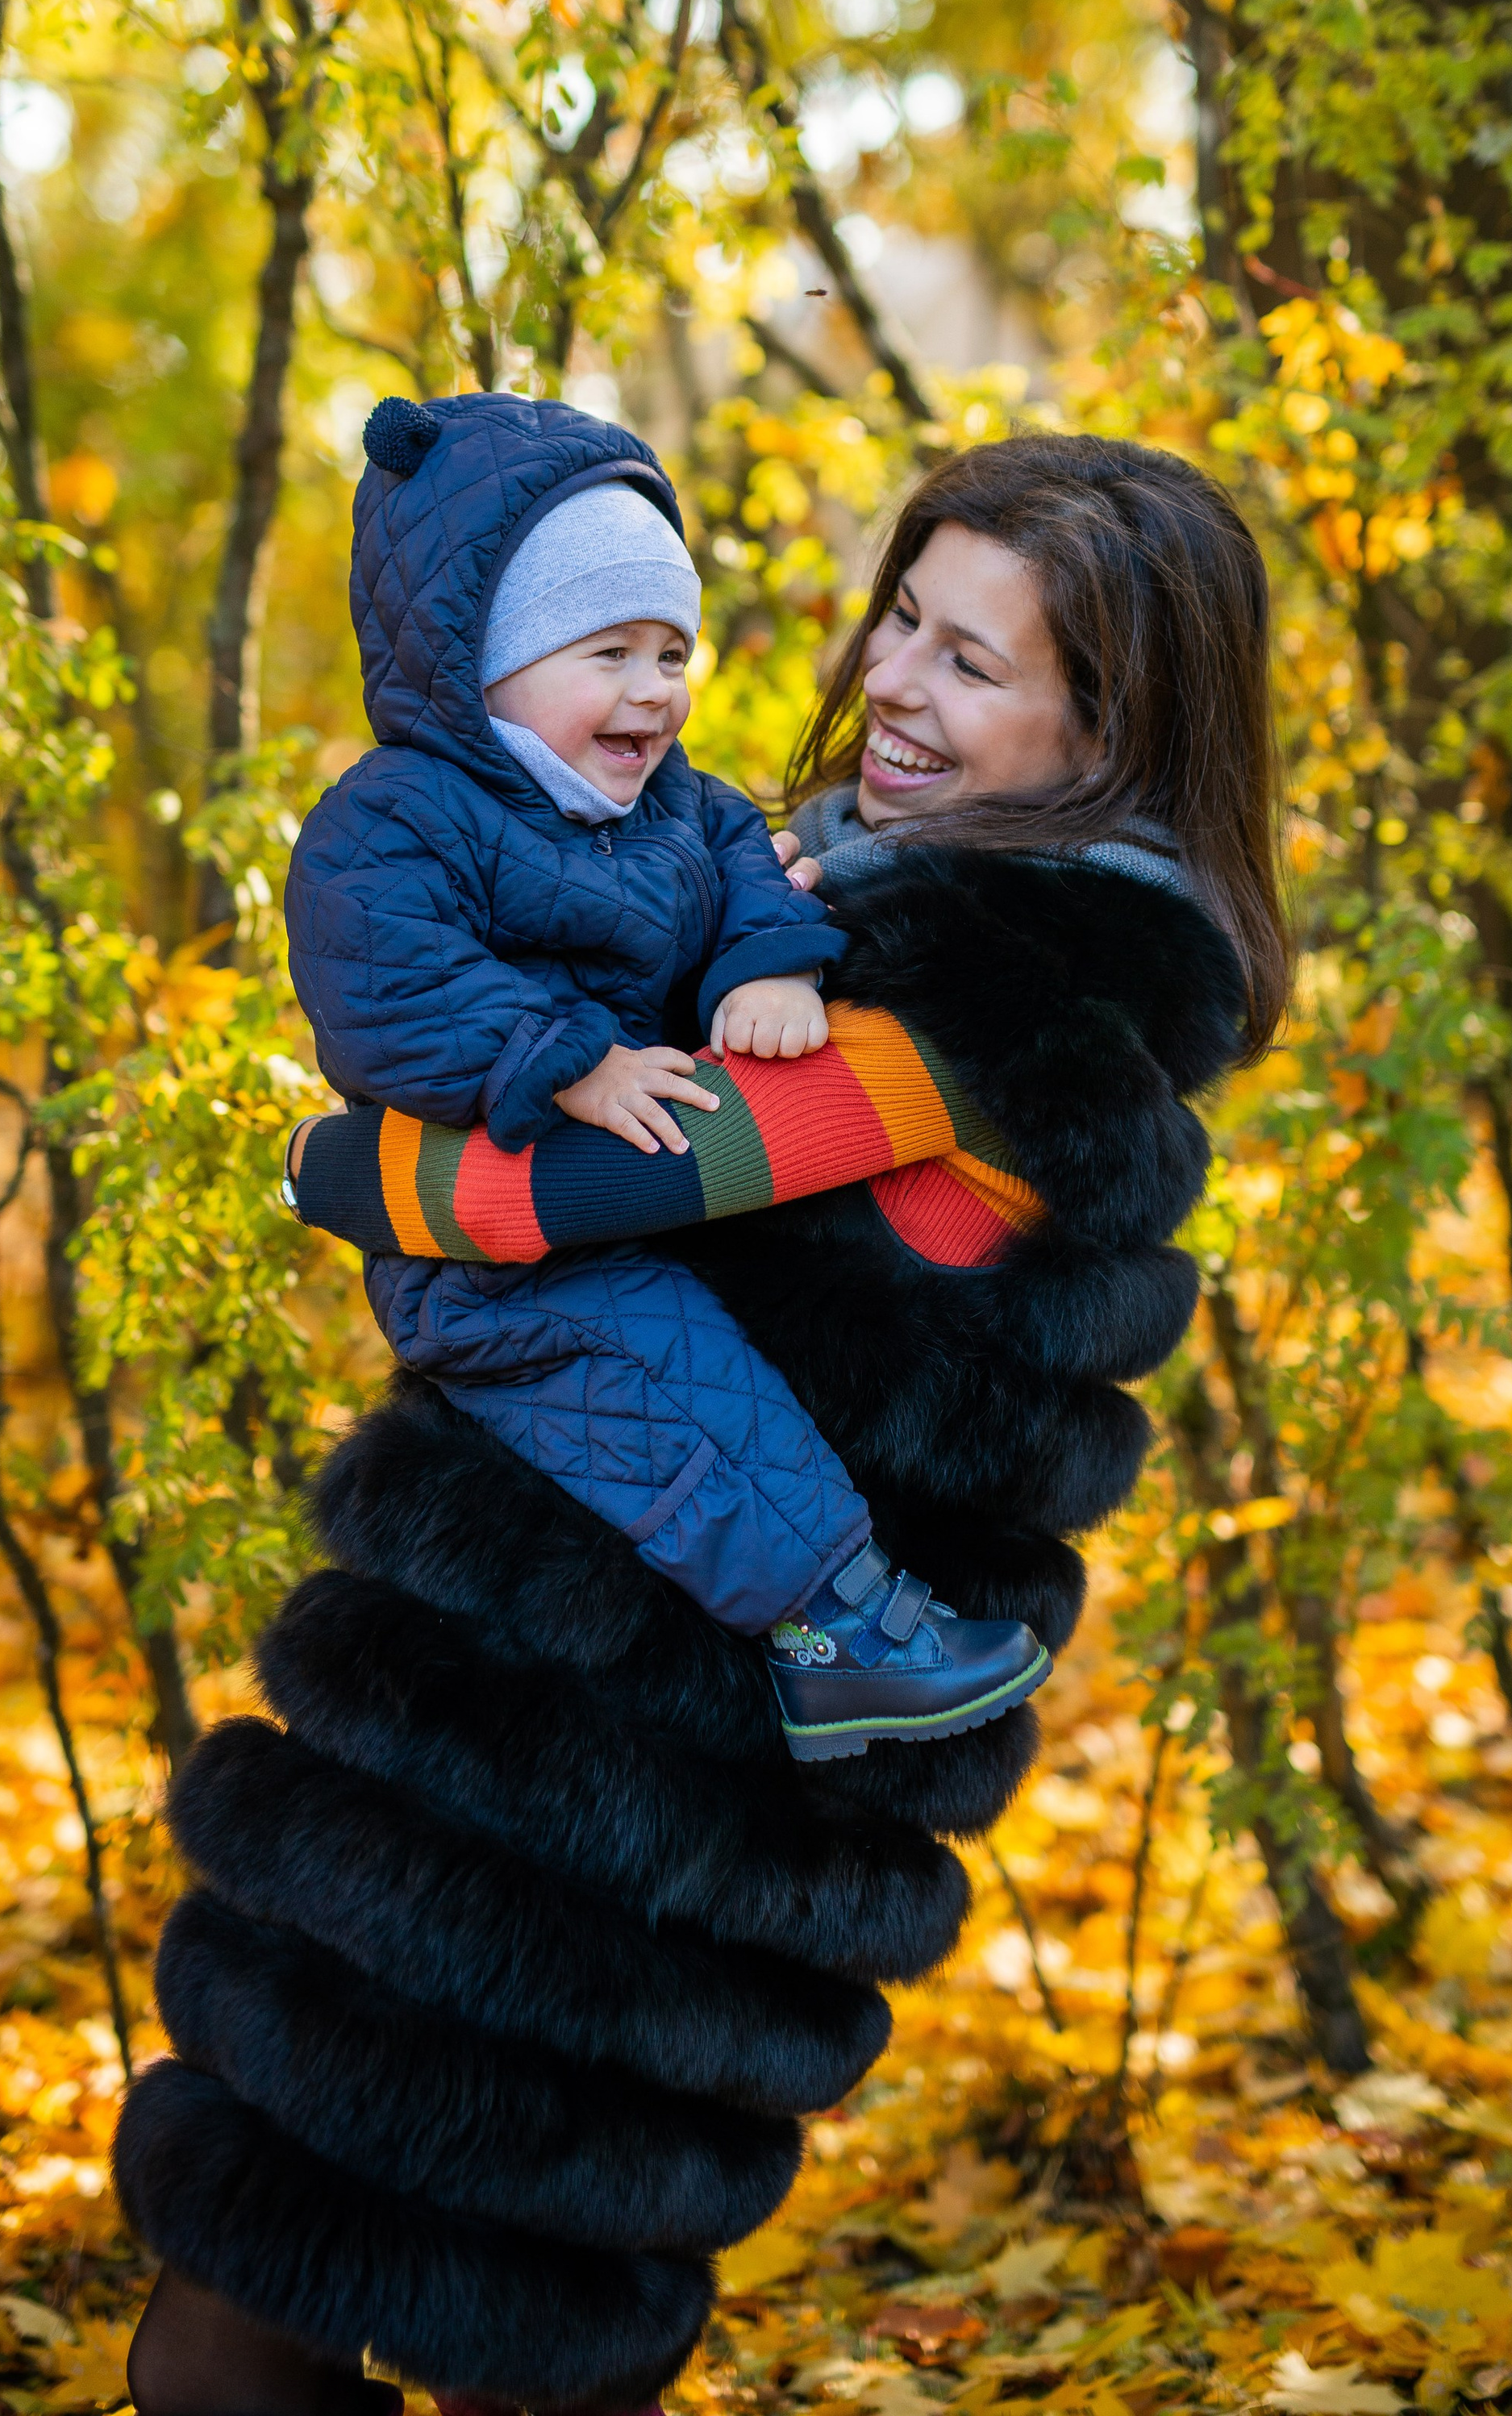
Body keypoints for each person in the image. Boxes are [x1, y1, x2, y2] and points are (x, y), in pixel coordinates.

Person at [119, 432, 1286, 2416]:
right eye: (902, 616)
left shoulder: (974, 1008)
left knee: (349, 2313)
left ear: (1111, 731)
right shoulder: (808, 891)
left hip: (631, 1782)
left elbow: (533, 1198)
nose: (897, 683)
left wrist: (338, 1161)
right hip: (566, 1738)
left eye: (973, 664)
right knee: (348, 2276)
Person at [279, 391, 1051, 1760]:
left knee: (701, 1379)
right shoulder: (395, 820)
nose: (653, 690)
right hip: (494, 1261)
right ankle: (834, 1630)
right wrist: (561, 1058)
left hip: (581, 1214)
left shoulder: (676, 803)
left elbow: (751, 871)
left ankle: (849, 1620)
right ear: (484, 667)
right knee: (682, 1389)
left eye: (670, 652)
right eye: (609, 653)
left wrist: (769, 965)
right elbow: (384, 982)